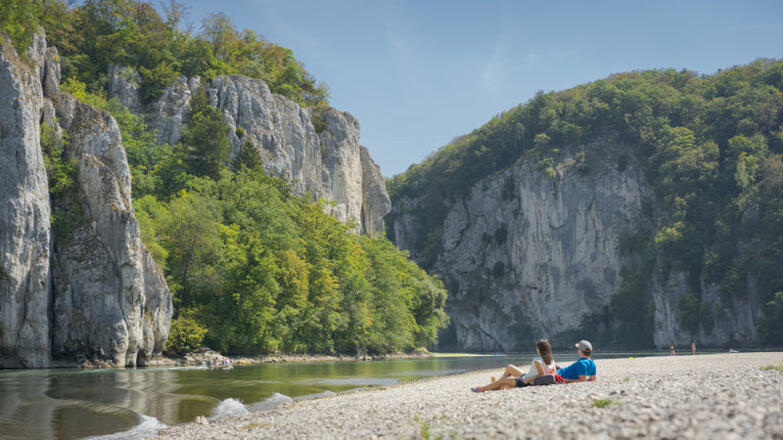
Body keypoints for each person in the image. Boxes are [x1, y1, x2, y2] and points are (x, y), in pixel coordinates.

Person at [471, 339, 556, 392]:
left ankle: (481, 389)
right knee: (510, 367)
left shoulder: (537, 360)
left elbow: (541, 374)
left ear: (540, 349)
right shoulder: (552, 361)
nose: (536, 349)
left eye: (537, 348)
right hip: (527, 377)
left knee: (503, 380)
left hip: (527, 381)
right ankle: (497, 386)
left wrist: (528, 380)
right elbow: (554, 373)